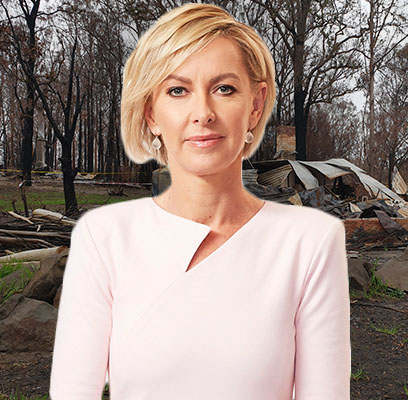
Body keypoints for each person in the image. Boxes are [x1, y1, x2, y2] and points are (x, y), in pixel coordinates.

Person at [49, 3, 351, 399]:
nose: (203, 113)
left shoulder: (311, 242)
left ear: (255, 105)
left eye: (224, 89)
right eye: (178, 90)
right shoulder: (103, 238)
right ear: (151, 113)